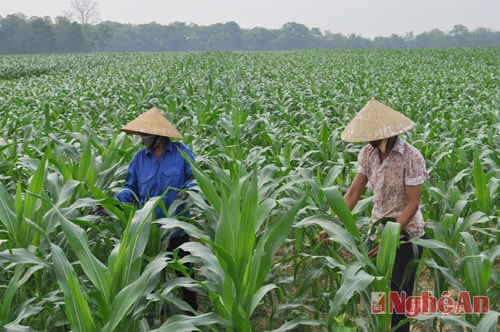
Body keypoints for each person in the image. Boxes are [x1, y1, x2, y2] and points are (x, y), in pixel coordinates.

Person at [319, 99, 428, 332]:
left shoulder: (411, 157)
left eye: (372, 135)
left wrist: (390, 236)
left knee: (400, 294)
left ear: (386, 134)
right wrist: (332, 224)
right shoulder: (368, 154)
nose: (368, 140)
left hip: (406, 234)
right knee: (377, 291)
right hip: (377, 230)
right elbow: (353, 194)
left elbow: (413, 204)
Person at [116, 106, 198, 311]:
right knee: (148, 277)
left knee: (185, 274)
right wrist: (114, 202)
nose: (141, 138)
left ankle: (191, 315)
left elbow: (195, 179)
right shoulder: (139, 159)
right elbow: (130, 189)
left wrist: (188, 191)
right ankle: (154, 314)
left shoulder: (181, 152)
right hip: (149, 231)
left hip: (176, 227)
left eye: (145, 135)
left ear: (158, 136)